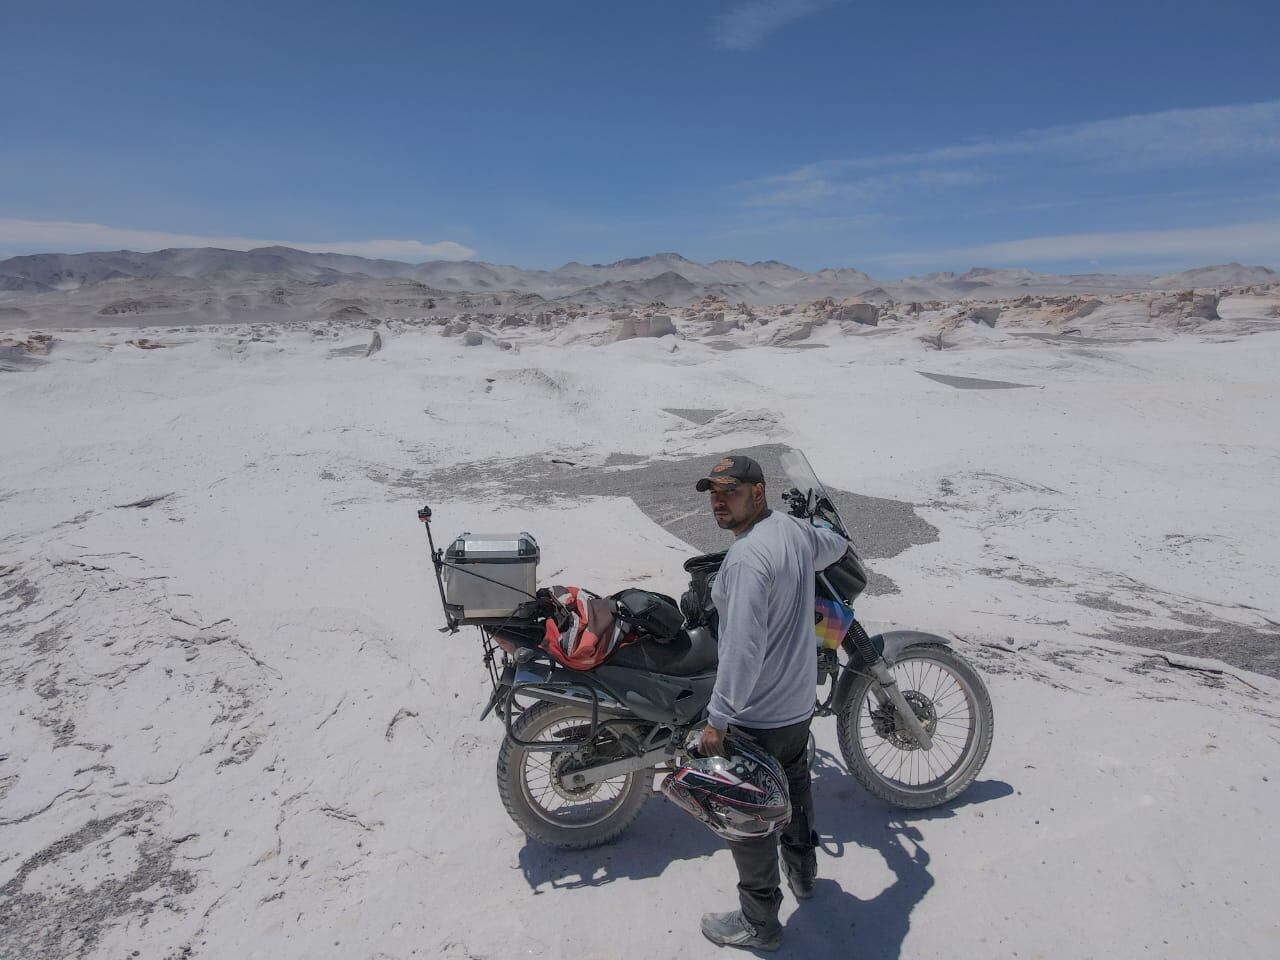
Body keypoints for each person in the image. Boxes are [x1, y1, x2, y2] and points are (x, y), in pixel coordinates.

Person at [693, 453, 849, 951]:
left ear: (757, 493)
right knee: (796, 789)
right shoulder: (791, 531)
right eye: (714, 493)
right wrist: (829, 522)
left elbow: (741, 652)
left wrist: (718, 721)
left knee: (751, 821)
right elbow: (836, 544)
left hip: (756, 714)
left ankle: (759, 923)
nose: (719, 502)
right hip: (797, 705)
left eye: (730, 492)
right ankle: (804, 877)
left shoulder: (745, 560)